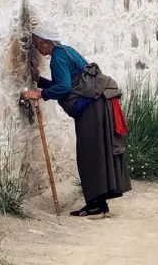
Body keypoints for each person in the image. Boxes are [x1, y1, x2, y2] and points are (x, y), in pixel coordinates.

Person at [23, 21, 132, 218]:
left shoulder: (57, 58)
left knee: (89, 154)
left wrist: (39, 94)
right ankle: (99, 204)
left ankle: (95, 205)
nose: (37, 48)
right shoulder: (67, 51)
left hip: (92, 107)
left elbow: (64, 88)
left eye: (38, 43)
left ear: (46, 42)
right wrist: (40, 82)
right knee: (99, 153)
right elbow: (73, 84)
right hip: (99, 102)